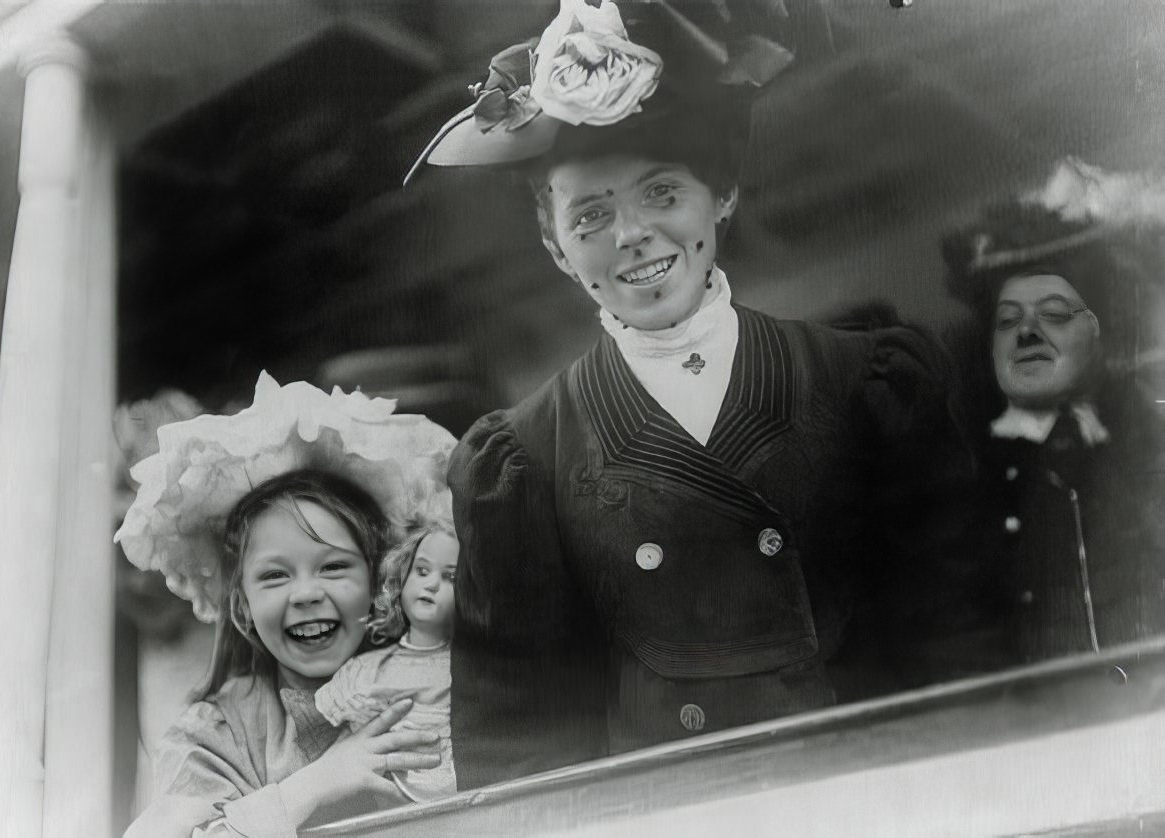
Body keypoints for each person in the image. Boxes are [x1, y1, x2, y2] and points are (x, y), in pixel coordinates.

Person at [407, 0, 965, 788]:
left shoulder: (866, 384)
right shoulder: (523, 460)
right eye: (589, 215)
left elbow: (960, 643)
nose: (629, 234)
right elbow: (520, 749)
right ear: (555, 247)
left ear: (723, 193)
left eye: (662, 194)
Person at [117, 373, 458, 837]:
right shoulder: (216, 737)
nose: (306, 593)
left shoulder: (432, 682)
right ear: (242, 607)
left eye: (334, 568)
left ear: (380, 583)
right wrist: (315, 785)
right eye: (275, 576)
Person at [941, 159, 1165, 666]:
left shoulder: (1151, 439)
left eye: (1054, 314)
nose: (1028, 334)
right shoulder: (960, 474)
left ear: (1096, 330)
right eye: (1009, 318)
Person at [316, 518, 459, 802]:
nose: (431, 584)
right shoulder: (364, 671)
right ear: (401, 578)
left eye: (450, 577)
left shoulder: (469, 669)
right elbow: (317, 746)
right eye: (422, 571)